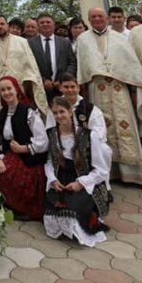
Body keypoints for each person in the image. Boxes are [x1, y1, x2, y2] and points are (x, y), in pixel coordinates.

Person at [77, 7, 142, 186]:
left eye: (100, 16)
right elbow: (82, 66)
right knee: (101, 128)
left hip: (119, 88)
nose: (97, 19)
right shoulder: (82, 39)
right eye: (93, 17)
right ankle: (110, 171)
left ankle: (134, 174)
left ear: (106, 18)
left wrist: (133, 88)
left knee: (126, 127)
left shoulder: (120, 38)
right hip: (96, 88)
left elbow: (130, 64)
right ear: (89, 19)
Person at [44, 96, 109, 246]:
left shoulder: (88, 135)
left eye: (62, 112)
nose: (59, 116)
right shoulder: (52, 133)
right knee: (52, 207)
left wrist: (81, 183)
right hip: (62, 179)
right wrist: (53, 179)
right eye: (55, 113)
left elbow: (101, 170)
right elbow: (49, 162)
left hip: (83, 179)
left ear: (70, 111)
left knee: (72, 209)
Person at [0, 76, 48, 220]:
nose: (6, 93)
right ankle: (8, 205)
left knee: (13, 174)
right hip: (11, 154)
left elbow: (43, 141)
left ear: (16, 90)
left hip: (29, 157)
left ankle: (23, 209)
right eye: (3, 90)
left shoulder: (29, 112)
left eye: (9, 88)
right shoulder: (0, 115)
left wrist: (23, 148)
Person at [0, 14, 48, 125]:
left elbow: (30, 65)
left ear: (7, 25)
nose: (0, 26)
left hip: (18, 90)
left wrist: (29, 82)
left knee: (20, 122)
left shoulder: (22, 42)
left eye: (2, 24)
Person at [58, 72, 112, 191]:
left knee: (104, 150)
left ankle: (105, 186)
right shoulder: (56, 106)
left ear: (78, 88)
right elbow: (50, 129)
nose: (70, 90)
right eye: (66, 87)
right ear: (60, 88)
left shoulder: (90, 108)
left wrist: (82, 142)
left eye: (73, 87)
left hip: (86, 144)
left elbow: (100, 132)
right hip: (62, 142)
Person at [28, 14, 76, 102]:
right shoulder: (30, 44)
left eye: (48, 22)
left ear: (54, 25)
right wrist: (43, 80)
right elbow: (29, 65)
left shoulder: (65, 42)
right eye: (42, 23)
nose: (45, 24)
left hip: (62, 87)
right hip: (40, 88)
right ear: (38, 26)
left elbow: (72, 62)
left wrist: (63, 80)